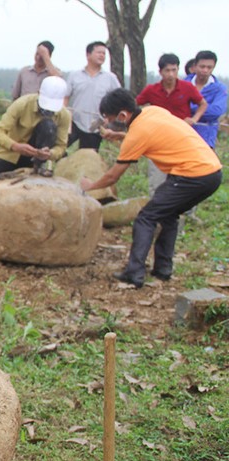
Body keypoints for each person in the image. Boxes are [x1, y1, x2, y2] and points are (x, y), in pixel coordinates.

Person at [81, 88, 221, 288]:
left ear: (122, 115)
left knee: (146, 217)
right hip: (211, 170)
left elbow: (113, 176)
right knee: (168, 214)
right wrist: (122, 136)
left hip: (192, 175)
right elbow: (151, 135)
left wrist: (90, 186)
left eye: (108, 118)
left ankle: (134, 273)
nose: (106, 122)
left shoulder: (137, 134)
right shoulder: (153, 111)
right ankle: (163, 270)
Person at [0, 76, 70, 242]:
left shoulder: (64, 115)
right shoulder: (23, 104)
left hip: (38, 158)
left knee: (48, 126)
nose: (49, 111)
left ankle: (40, 167)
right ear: (39, 93)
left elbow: (61, 146)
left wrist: (49, 154)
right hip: (11, 154)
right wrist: (16, 146)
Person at [136, 53, 207, 197]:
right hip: (157, 140)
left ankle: (186, 212)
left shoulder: (187, 88)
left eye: (174, 70)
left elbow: (202, 104)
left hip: (183, 139)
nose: (171, 74)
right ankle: (156, 211)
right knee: (157, 178)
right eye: (167, 70)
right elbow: (135, 105)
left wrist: (194, 118)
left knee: (186, 176)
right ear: (160, 72)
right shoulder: (152, 90)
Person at [65, 41, 121, 151]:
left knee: (88, 158)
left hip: (95, 124)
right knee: (59, 149)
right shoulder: (74, 75)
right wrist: (64, 115)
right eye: (99, 52)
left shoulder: (110, 78)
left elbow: (119, 100)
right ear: (88, 55)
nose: (102, 55)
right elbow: (65, 97)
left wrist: (109, 118)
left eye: (104, 54)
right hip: (74, 121)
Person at [185, 50, 227, 149]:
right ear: (194, 66)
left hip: (206, 137)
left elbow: (216, 111)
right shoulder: (183, 84)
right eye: (202, 66)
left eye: (209, 67)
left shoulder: (220, 89)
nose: (205, 70)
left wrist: (188, 109)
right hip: (182, 133)